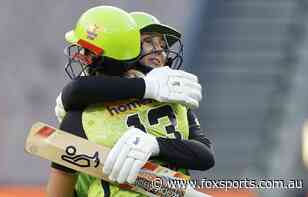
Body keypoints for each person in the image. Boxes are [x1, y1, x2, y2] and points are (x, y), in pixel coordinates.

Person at [48, 6, 214, 197]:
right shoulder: (83, 109)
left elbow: (205, 156)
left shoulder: (174, 101)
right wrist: (146, 87)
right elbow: (76, 90)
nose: (159, 50)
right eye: (149, 42)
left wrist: (156, 144)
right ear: (127, 48)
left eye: (162, 44)